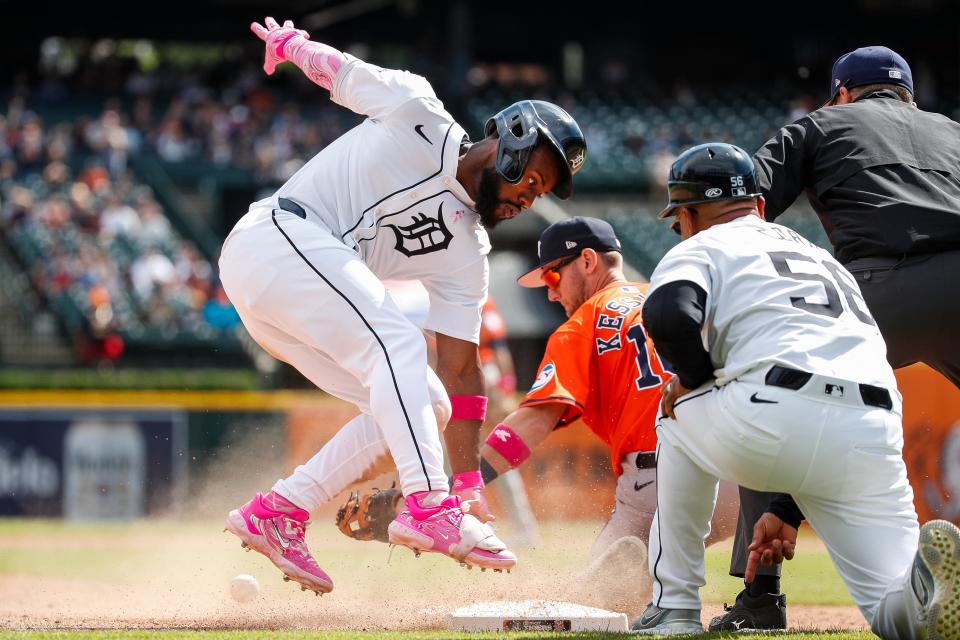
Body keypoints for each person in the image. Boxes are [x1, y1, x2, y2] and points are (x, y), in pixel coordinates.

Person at [219, 16, 587, 595]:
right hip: (273, 239)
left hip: (292, 300)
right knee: (397, 341)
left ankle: (279, 511)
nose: (530, 198)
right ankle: (426, 505)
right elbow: (343, 76)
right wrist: (292, 46)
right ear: (512, 148)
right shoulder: (419, 113)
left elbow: (463, 369)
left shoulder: (470, 252)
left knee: (427, 402)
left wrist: (468, 481)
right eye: (533, 182)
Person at [633, 141, 960, 639]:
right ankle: (919, 605)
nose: (680, 229)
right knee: (897, 612)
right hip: (872, 426)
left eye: (679, 219)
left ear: (691, 213)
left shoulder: (701, 244)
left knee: (673, 412)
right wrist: (784, 508)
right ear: (759, 206)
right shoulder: (820, 256)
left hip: (772, 410)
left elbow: (668, 315)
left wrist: (692, 380)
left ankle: (673, 605)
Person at [336, 217, 742, 617]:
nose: (550, 294)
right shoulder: (668, 299)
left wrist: (445, 490)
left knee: (589, 610)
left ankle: (649, 566)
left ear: (587, 261)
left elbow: (532, 424)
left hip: (662, 482)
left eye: (552, 277)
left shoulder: (584, 324)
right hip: (741, 472)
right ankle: (756, 596)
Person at [754, 45, 960, 388]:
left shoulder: (819, 122)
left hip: (880, 290)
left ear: (844, 94)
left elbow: (746, 200)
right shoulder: (953, 130)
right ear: (910, 98)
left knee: (784, 387)